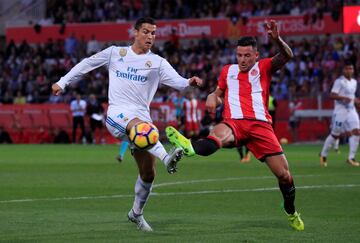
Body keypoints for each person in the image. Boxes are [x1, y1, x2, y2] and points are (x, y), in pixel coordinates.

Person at [51, 17, 203, 232]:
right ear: (135, 32)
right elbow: (87, 64)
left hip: (142, 124)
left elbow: (178, 83)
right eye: (146, 32)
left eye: (154, 33)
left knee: (148, 174)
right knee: (141, 128)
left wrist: (189, 82)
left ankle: (136, 213)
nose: (151, 36)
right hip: (117, 116)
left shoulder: (157, 62)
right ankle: (167, 157)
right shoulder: (115, 53)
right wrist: (63, 81)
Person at [165, 20, 304, 231]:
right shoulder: (227, 71)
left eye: (247, 55)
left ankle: (291, 211)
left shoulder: (264, 67)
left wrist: (276, 39)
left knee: (284, 175)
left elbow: (286, 56)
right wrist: (212, 96)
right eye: (239, 55)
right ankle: (189, 147)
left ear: (256, 55)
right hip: (234, 123)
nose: (243, 59)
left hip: (261, 127)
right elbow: (218, 94)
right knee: (216, 136)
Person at [320, 61, 360, 167]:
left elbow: (351, 96)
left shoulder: (354, 82)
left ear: (353, 70)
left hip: (351, 110)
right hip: (340, 111)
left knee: (357, 131)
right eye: (347, 68)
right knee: (335, 134)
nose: (349, 70)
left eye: (351, 68)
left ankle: (351, 158)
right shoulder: (339, 81)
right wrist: (343, 98)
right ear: (343, 70)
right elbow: (332, 95)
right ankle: (323, 154)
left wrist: (356, 100)